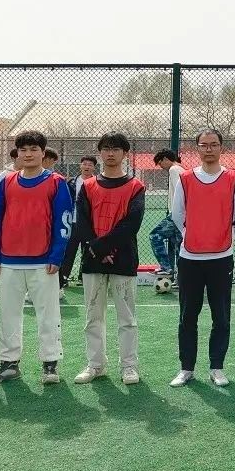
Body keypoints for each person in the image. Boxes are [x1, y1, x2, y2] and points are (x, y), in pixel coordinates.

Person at [0, 130, 74, 386]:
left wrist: (56, 256)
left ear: (43, 153)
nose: (28, 154)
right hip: (9, 261)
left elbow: (64, 222)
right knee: (8, 314)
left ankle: (50, 362)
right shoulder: (6, 181)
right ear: (17, 153)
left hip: (43, 262)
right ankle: (8, 361)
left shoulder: (56, 182)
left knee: (48, 314)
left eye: (34, 149)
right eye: (23, 150)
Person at [168, 128, 235, 388]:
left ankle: (217, 367)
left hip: (221, 258)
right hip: (190, 258)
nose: (209, 149)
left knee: (221, 316)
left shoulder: (234, 178)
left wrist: (222, 237)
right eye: (204, 145)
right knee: (187, 316)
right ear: (198, 149)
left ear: (221, 147)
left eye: (213, 144)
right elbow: (177, 214)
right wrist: (193, 235)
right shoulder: (186, 178)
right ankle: (186, 368)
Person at [72, 133, 145, 387]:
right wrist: (98, 248)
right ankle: (95, 364)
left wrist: (103, 247)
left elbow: (132, 223)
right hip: (93, 259)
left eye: (115, 149)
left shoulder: (136, 186)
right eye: (106, 148)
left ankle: (129, 366)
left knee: (127, 318)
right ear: (100, 152)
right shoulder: (88, 186)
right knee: (93, 316)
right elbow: (82, 222)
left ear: (125, 153)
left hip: (123, 259)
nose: (110, 153)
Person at [60, 155, 98, 292]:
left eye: (90, 165)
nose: (87, 167)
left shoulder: (98, 182)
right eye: (85, 164)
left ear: (94, 168)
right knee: (69, 251)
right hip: (73, 222)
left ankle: (84, 277)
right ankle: (63, 277)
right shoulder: (71, 182)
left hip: (89, 223)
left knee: (88, 251)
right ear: (80, 166)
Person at [149, 149, 183, 278]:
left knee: (155, 235)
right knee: (179, 247)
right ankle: (181, 280)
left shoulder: (174, 170)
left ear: (165, 159)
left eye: (160, 163)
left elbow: (181, 192)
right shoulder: (181, 169)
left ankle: (166, 268)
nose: (161, 167)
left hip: (177, 214)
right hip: (182, 214)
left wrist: (175, 213)